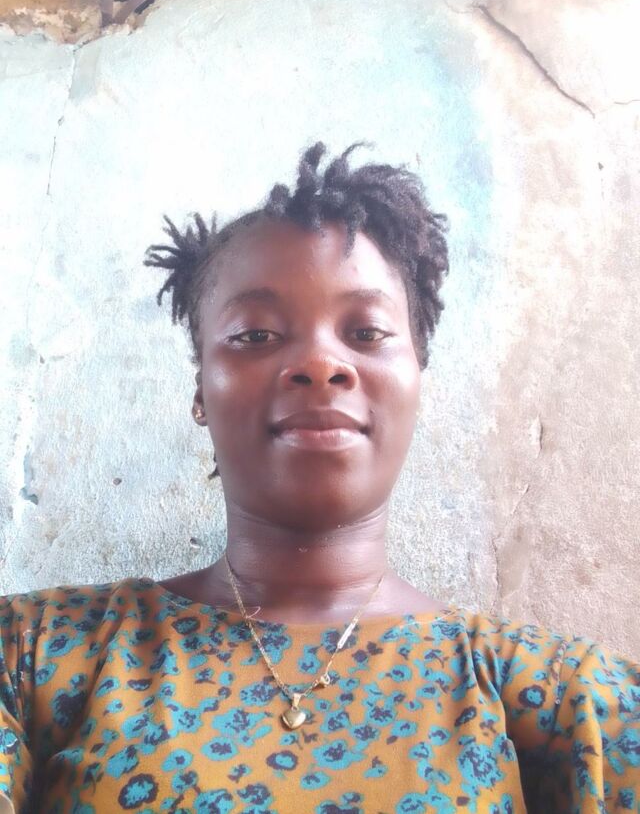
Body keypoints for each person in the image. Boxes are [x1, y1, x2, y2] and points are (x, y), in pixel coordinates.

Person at [0, 143, 638, 814]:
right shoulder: (35, 654)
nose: (320, 363)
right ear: (201, 392)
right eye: (255, 335)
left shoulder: (565, 701)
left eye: (366, 332)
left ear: (416, 379)